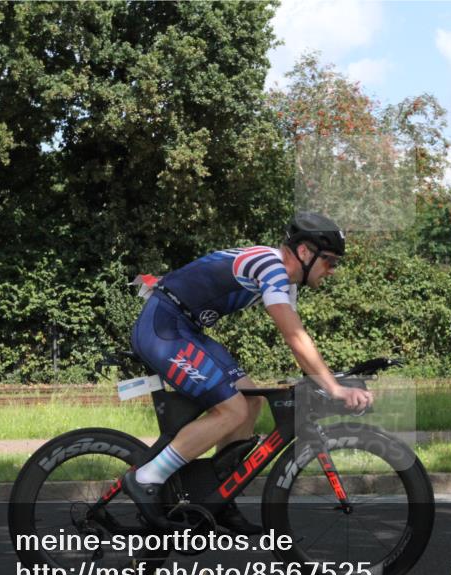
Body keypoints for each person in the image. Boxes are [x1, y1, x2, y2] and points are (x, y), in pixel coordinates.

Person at [123, 211, 374, 534]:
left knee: (251, 402)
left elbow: (299, 338)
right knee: (233, 408)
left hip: (186, 328)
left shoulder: (285, 281)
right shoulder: (271, 267)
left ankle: (218, 497)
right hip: (164, 327)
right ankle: (147, 478)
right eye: (330, 260)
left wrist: (326, 379)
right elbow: (294, 337)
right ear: (305, 252)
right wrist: (335, 388)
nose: (333, 270)